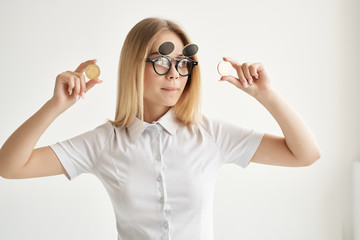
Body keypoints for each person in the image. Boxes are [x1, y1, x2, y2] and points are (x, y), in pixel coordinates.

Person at [0, 17, 321, 240]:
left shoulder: (211, 134)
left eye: (183, 63)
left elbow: (305, 154)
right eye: (161, 61)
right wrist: (55, 106)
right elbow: (10, 166)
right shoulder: (103, 143)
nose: (175, 74)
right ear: (133, 65)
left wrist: (265, 95)